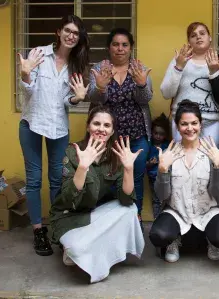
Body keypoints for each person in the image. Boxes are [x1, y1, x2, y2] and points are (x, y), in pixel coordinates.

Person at [18, 15, 90, 256]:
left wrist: (77, 98)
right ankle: (39, 230)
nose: (71, 36)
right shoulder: (38, 53)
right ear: (59, 31)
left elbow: (64, 101)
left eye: (76, 33)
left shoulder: (76, 65)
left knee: (58, 179)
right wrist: (26, 74)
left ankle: (57, 224)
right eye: (68, 30)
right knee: (34, 179)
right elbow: (29, 90)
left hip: (58, 127)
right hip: (32, 123)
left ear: (79, 39)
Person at [50, 105, 145, 283]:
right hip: (69, 218)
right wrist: (83, 167)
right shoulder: (73, 152)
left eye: (107, 125)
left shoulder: (116, 155)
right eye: (96, 123)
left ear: (112, 130)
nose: (101, 129)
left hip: (94, 215)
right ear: (88, 126)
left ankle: (89, 248)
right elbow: (69, 199)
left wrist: (128, 169)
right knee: (76, 250)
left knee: (131, 209)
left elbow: (125, 199)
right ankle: (76, 247)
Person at [148, 100, 219, 263]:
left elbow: (217, 193)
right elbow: (162, 194)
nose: (190, 128)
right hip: (177, 210)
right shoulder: (169, 153)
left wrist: (218, 166)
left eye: (194, 123)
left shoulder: (211, 152)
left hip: (208, 210)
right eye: (184, 124)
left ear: (200, 124)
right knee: (158, 235)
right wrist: (162, 171)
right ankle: (174, 240)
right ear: (177, 126)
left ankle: (211, 240)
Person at [88, 28, 153, 226]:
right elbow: (93, 99)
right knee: (105, 180)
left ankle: (135, 220)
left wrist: (141, 84)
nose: (120, 48)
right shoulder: (99, 68)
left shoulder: (139, 68)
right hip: (107, 138)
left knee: (136, 180)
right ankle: (107, 224)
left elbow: (146, 99)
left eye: (125, 45)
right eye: (115, 44)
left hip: (136, 137)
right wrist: (100, 87)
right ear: (109, 47)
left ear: (131, 48)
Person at [160, 22, 219, 146]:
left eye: (202, 33)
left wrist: (215, 72)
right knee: (180, 162)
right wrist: (179, 67)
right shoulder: (179, 60)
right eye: (193, 35)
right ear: (189, 41)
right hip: (183, 122)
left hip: (210, 122)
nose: (198, 37)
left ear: (210, 37)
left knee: (210, 162)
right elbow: (166, 93)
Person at [146, 113, 170, 218]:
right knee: (156, 200)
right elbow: (143, 164)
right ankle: (157, 220)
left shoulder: (167, 146)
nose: (158, 136)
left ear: (165, 135)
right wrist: (150, 163)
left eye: (161, 134)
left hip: (166, 178)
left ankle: (166, 220)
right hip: (153, 178)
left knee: (167, 200)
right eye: (155, 133)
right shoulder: (149, 146)